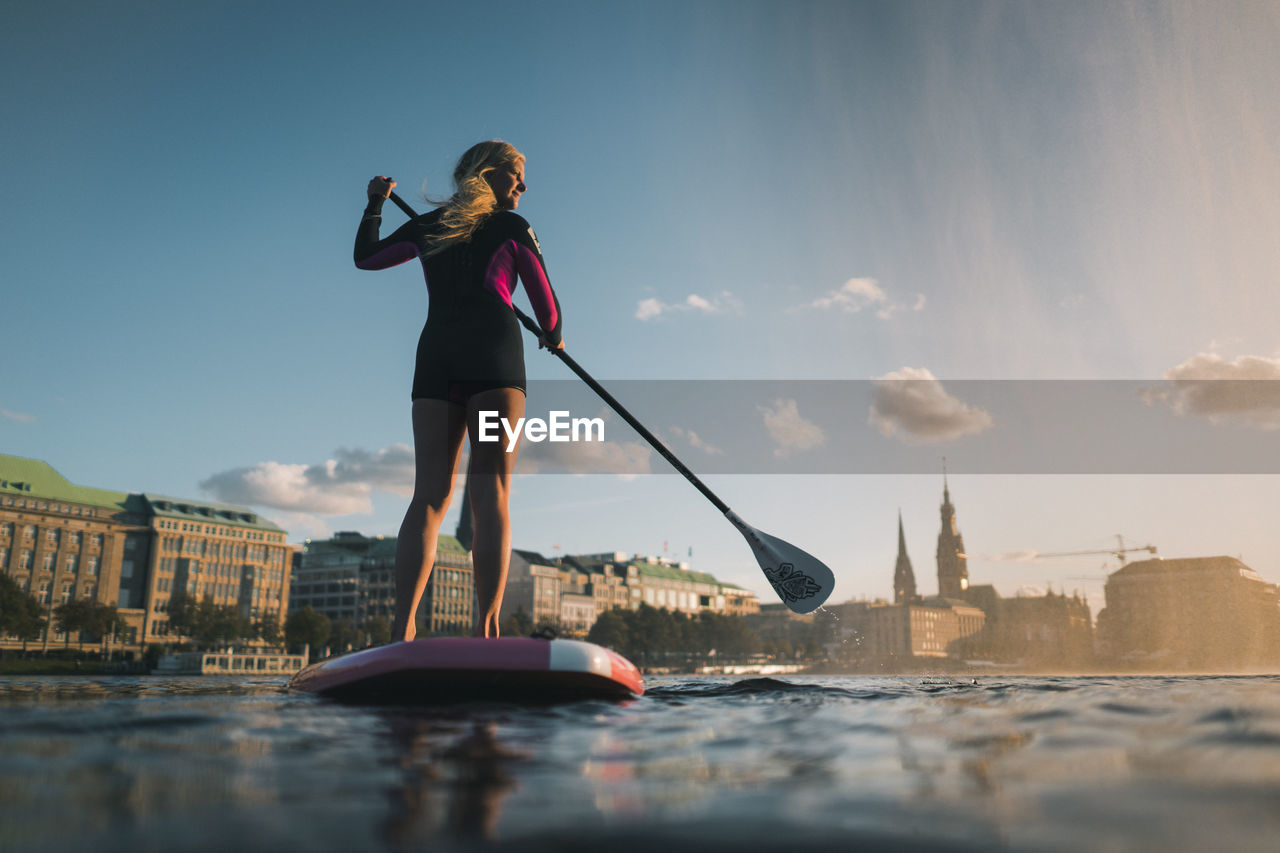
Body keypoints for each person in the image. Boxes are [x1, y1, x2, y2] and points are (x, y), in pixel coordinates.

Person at [354, 140, 563, 641]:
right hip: (493, 361)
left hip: (436, 363)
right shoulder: (513, 227)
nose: (523, 184)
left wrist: (375, 204)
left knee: (428, 495)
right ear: (489, 174)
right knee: (491, 492)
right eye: (516, 174)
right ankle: (486, 631)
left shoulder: (429, 226)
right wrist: (552, 335)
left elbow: (367, 258)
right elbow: (548, 311)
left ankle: (401, 631)